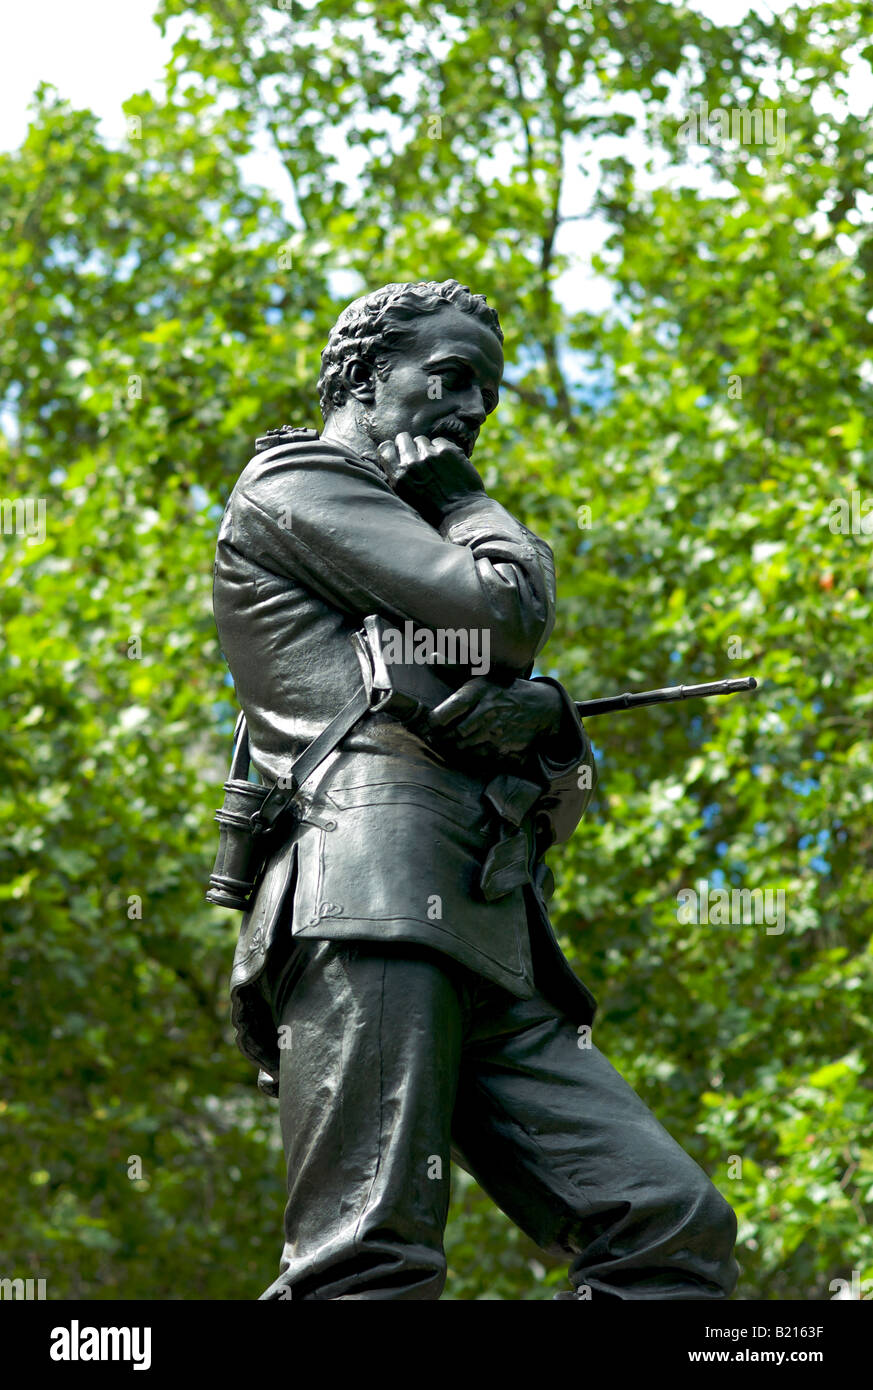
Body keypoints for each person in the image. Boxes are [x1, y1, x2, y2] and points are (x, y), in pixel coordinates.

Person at [211, 278, 739, 1301]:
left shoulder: (395, 538)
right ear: (366, 376)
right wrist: (463, 499)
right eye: (450, 380)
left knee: (671, 1223)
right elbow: (500, 614)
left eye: (486, 399)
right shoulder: (297, 484)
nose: (470, 414)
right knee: (369, 1255)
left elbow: (512, 712)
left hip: (492, 930)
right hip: (370, 896)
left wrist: (546, 718)